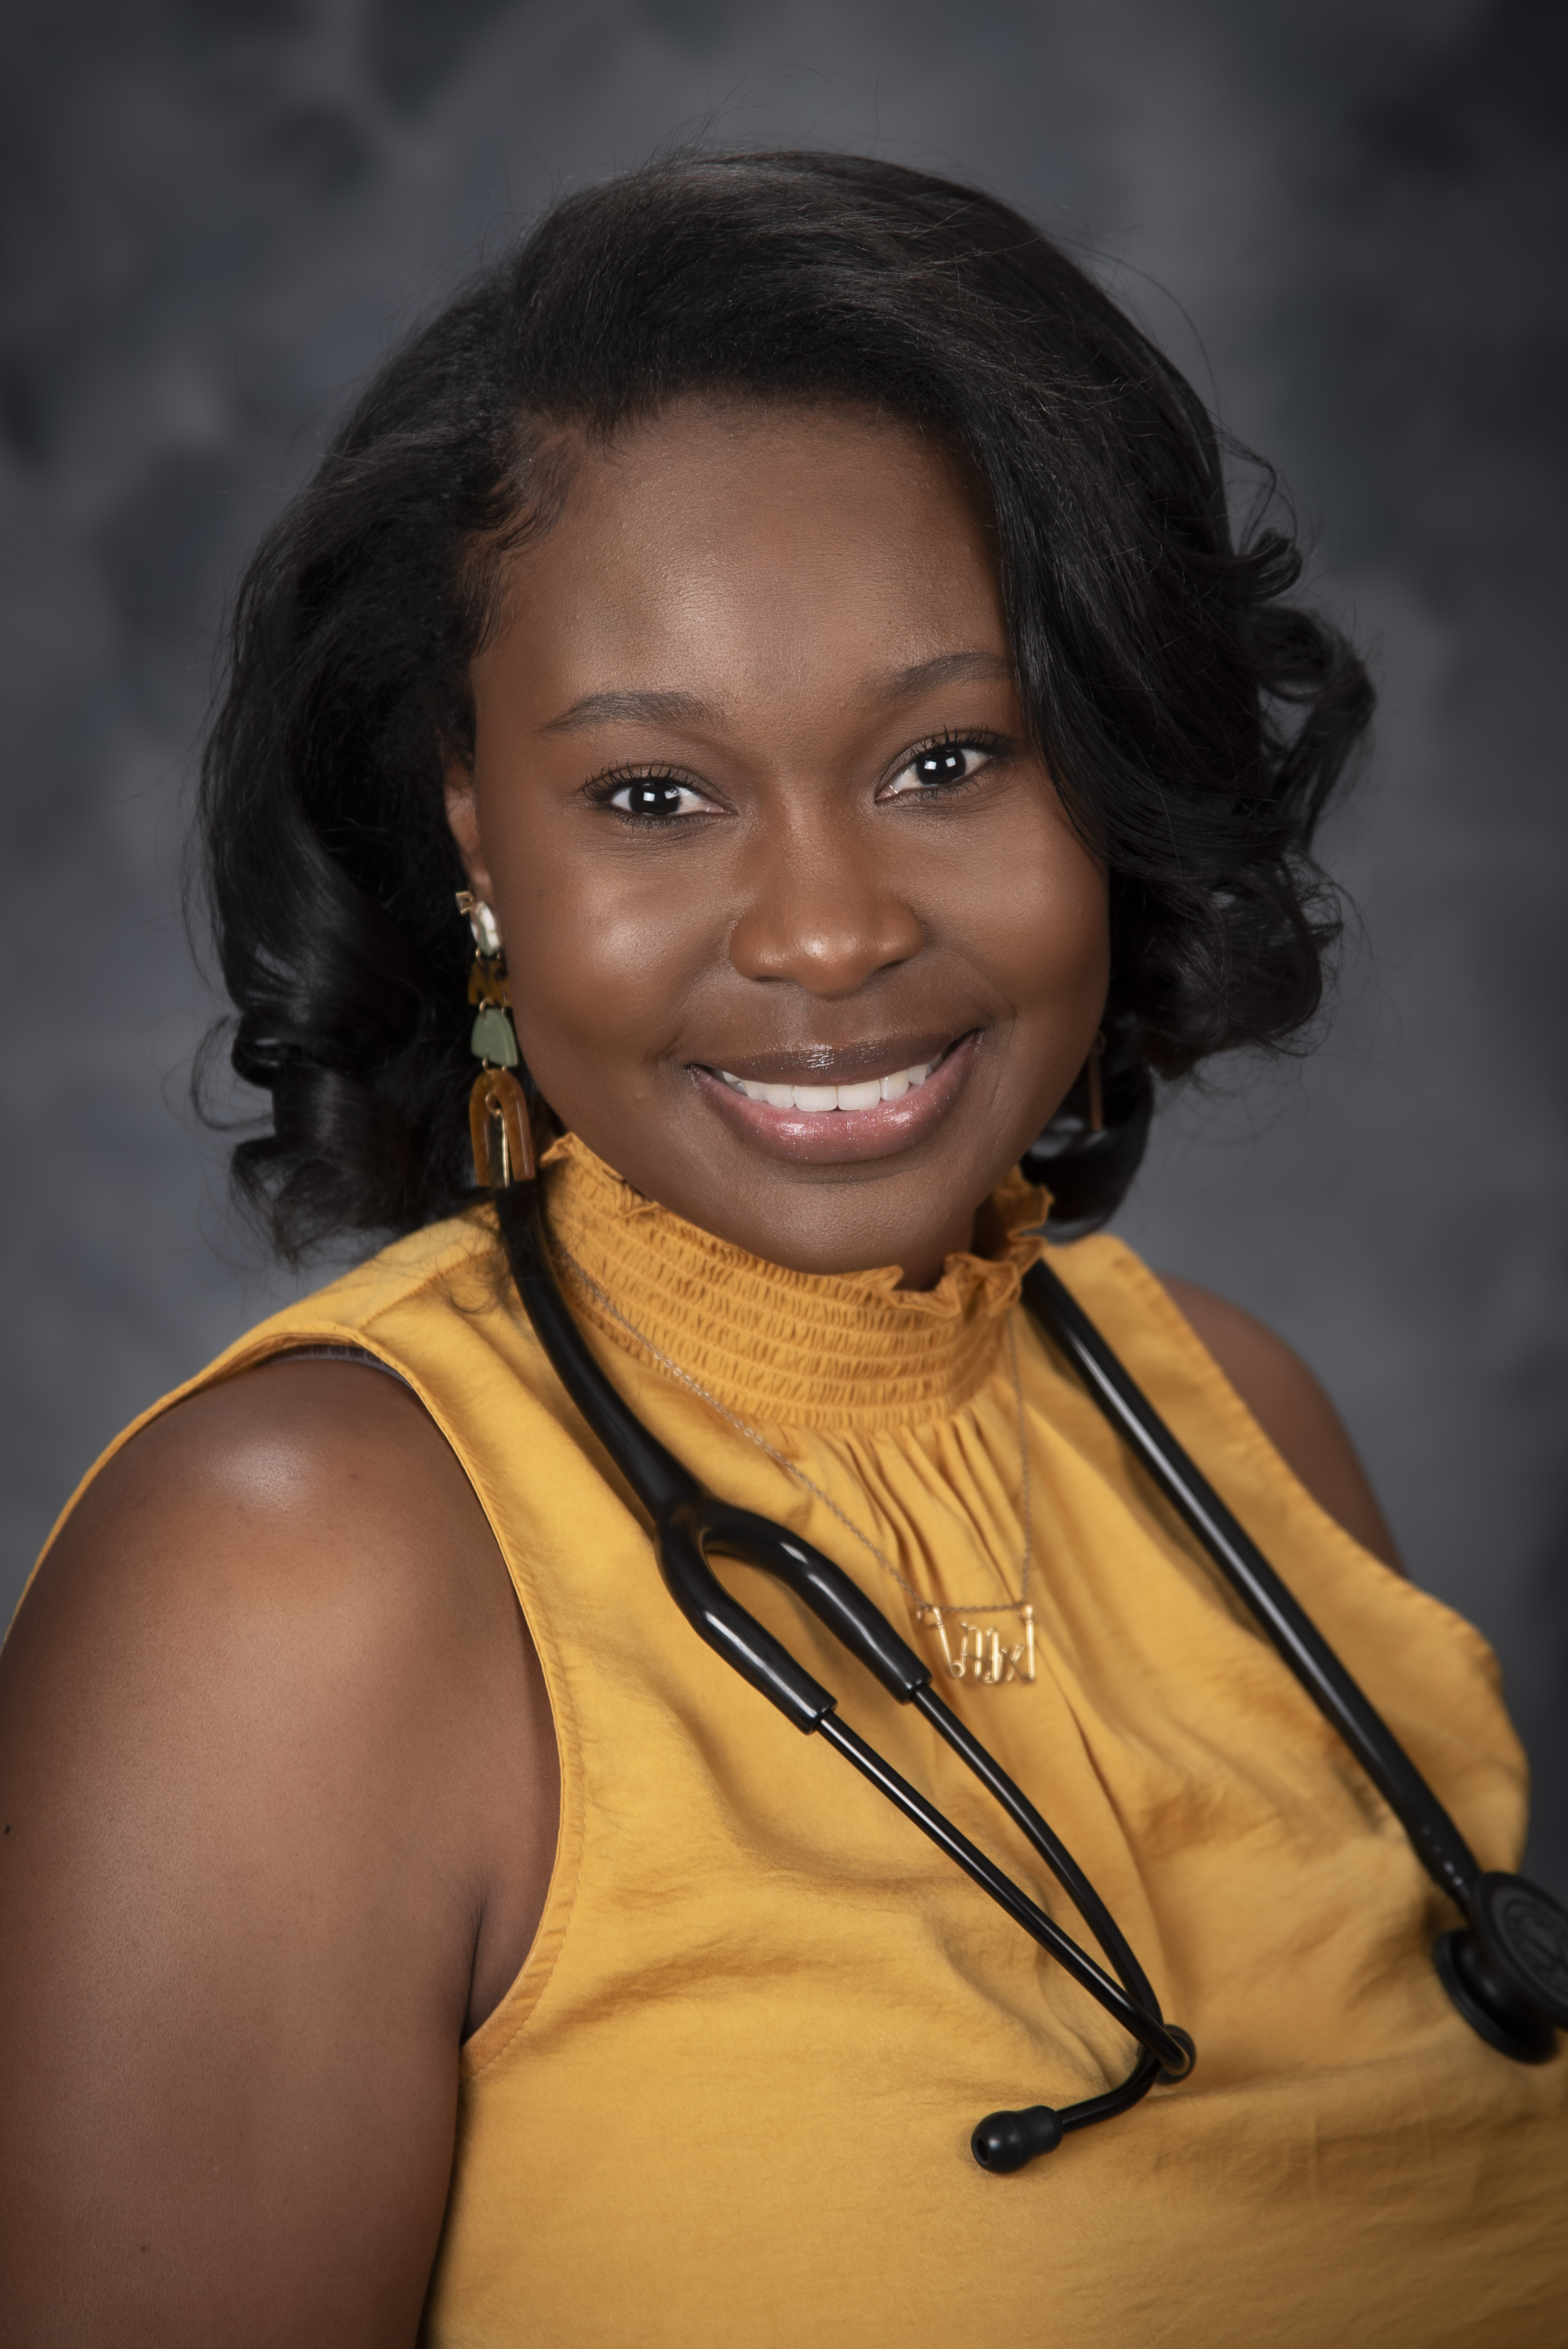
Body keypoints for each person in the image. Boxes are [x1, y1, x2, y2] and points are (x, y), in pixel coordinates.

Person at [0, 149, 1562, 2347]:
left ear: (1106, 770)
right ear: (471, 829)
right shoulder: (292, 1582)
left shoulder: (1240, 1420)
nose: (831, 927)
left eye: (948, 759)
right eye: (654, 795)